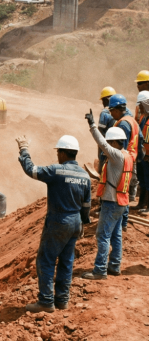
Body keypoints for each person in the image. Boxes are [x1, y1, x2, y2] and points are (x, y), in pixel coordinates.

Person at [16, 134, 91, 313]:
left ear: (63, 153)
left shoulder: (56, 171)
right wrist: (83, 223)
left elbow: (31, 170)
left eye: (58, 152)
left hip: (59, 221)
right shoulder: (85, 175)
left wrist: (24, 149)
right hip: (75, 222)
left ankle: (46, 301)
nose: (57, 155)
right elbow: (86, 205)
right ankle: (62, 300)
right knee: (66, 261)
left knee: (46, 260)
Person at [83, 111, 132, 280]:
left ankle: (100, 270)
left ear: (115, 142)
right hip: (121, 202)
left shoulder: (117, 156)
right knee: (116, 236)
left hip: (112, 202)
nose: (108, 146)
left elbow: (102, 143)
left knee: (103, 235)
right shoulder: (127, 156)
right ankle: (114, 266)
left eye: (110, 142)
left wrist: (92, 125)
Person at [108, 94, 143, 230]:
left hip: (124, 161)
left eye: (111, 111)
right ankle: (123, 221)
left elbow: (121, 145)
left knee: (121, 191)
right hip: (131, 159)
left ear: (117, 109)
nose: (111, 114)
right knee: (125, 191)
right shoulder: (132, 120)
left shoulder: (123, 124)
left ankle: (121, 222)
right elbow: (140, 139)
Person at [97, 87, 116, 170]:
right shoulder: (119, 110)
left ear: (106, 100)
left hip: (106, 145)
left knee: (103, 165)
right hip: (116, 145)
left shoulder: (104, 113)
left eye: (103, 100)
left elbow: (100, 132)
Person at [138, 91, 149, 214]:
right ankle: (141, 203)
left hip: (148, 157)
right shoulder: (143, 118)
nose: (139, 107)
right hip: (142, 155)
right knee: (142, 180)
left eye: (141, 104)